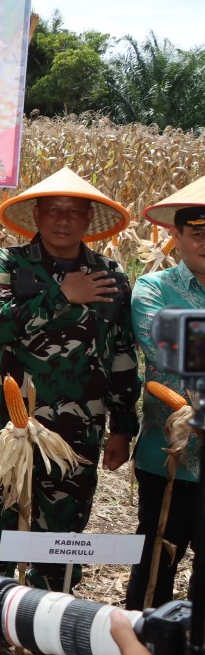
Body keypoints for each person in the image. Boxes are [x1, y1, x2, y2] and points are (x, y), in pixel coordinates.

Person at [0, 168, 138, 655]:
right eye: (53, 210)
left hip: (78, 429)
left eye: (73, 211)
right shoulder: (9, 264)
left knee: (61, 528)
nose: (62, 220)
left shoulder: (110, 275)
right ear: (36, 215)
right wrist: (62, 295)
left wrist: (124, 424)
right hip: (13, 428)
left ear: (87, 219)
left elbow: (121, 352)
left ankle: (46, 622)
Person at [122, 179, 205, 610]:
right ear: (176, 235)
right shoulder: (153, 288)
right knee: (154, 566)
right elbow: (168, 349)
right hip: (168, 457)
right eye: (199, 233)